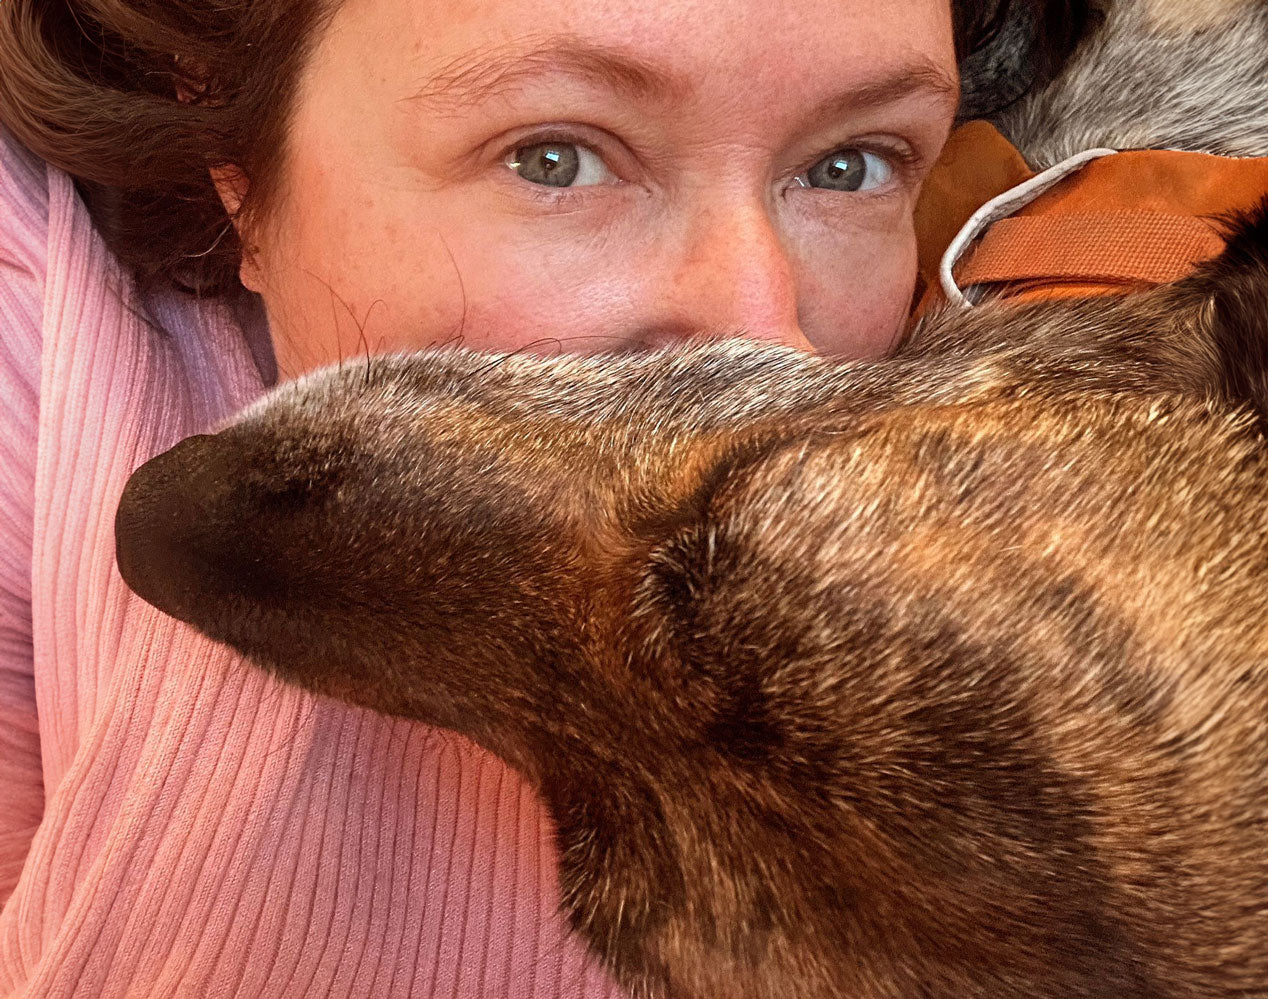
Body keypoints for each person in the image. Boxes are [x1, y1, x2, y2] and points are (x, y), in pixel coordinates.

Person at [0, 0, 1088, 994]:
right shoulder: (41, 347)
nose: (767, 333)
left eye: (850, 166)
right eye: (555, 158)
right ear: (240, 165)